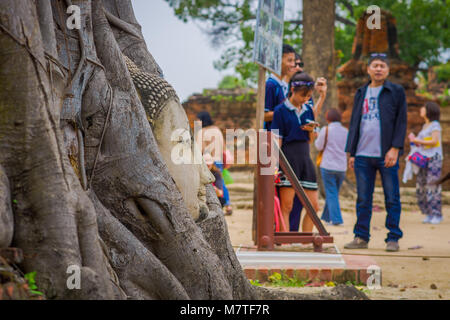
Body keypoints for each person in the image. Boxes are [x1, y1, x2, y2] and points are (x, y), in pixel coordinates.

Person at [344, 53, 407, 252]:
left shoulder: (395, 91)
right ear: (368, 69)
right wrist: (351, 152)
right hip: (362, 154)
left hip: (386, 154)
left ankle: (393, 237)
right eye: (375, 65)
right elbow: (354, 122)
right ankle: (361, 237)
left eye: (382, 66)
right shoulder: (361, 92)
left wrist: (395, 148)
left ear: (387, 70)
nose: (378, 69)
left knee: (391, 197)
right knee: (363, 198)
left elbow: (401, 121)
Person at [271, 72, 320, 232]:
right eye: (302, 95)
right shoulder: (280, 110)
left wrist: (312, 130)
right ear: (293, 89)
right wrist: (275, 164)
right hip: (288, 158)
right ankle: (285, 241)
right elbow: (277, 138)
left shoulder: (308, 109)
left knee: (314, 206)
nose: (305, 99)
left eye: (308, 96)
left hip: (305, 158)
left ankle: (305, 241)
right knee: (287, 205)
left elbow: (311, 140)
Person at [408, 101, 443, 224]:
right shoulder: (424, 126)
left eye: (423, 107)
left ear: (429, 110)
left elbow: (434, 141)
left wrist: (418, 140)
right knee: (421, 185)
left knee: (432, 185)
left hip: (434, 159)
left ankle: (436, 214)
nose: (421, 109)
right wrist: (415, 141)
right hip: (423, 159)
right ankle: (428, 213)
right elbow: (423, 143)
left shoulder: (435, 125)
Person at [315, 108, 348, 226]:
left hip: (328, 166)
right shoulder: (346, 131)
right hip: (341, 167)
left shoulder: (326, 130)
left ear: (328, 118)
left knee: (331, 193)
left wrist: (318, 136)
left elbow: (318, 146)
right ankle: (326, 217)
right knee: (333, 193)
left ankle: (337, 220)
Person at [196, 111, 232, 215]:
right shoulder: (217, 130)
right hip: (219, 160)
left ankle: (214, 205)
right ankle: (228, 205)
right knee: (221, 183)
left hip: (209, 160)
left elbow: (199, 149)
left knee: (209, 184)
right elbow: (224, 146)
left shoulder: (202, 132)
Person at [264, 44, 296, 130]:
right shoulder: (270, 85)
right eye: (289, 61)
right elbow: (263, 116)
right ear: (278, 60)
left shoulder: (282, 85)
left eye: (294, 61)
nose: (293, 64)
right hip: (269, 138)